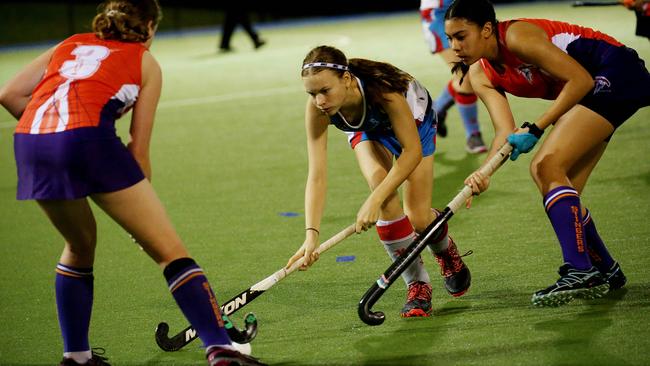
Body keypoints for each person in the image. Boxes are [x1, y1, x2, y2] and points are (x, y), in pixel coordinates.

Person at [0, 1, 264, 365]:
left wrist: (55, 136)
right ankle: (220, 349)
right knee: (170, 252)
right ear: (150, 27)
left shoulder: (70, 43)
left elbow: (9, 94)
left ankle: (76, 356)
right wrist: (145, 218)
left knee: (78, 245)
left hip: (32, 142)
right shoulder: (145, 61)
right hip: (90, 141)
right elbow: (138, 149)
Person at [443, 0, 649, 306]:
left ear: (486, 29)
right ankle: (607, 270)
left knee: (545, 166)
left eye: (461, 36)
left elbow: (581, 79)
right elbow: (505, 131)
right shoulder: (479, 75)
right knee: (565, 189)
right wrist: (483, 173)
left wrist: (537, 128)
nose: (454, 46)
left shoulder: (516, 37)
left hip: (615, 71)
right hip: (594, 90)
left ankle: (580, 271)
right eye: (449, 39)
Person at [285, 45, 472, 318]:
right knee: (381, 189)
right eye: (312, 94)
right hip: (366, 129)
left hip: (414, 125)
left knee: (418, 218)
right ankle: (417, 284)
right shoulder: (319, 111)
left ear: (347, 79)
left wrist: (372, 201)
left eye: (325, 91)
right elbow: (317, 174)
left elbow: (411, 153)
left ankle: (445, 251)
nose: (319, 101)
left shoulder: (385, 92)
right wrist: (310, 235)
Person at [419, 0, 487, 154]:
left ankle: (436, 111)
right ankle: (473, 134)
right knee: (465, 75)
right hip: (439, 15)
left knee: (470, 74)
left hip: (468, 11)